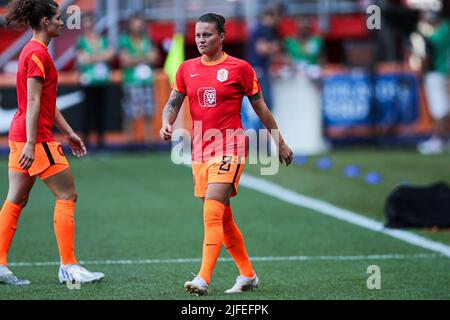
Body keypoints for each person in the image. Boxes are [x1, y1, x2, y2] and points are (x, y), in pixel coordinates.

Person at [160, 13, 293, 295]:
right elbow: (173, 102)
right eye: (197, 35)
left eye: (207, 35)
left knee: (211, 211)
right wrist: (167, 122)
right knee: (224, 218)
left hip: (230, 148)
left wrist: (279, 142)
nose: (201, 40)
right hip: (200, 151)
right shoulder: (186, 69)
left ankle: (202, 279)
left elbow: (261, 108)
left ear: (222, 36)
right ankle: (248, 275)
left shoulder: (240, 68)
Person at [0, 0, 104, 285]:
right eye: (58, 18)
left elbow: (45, 101)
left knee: (16, 199)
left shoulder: (36, 52)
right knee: (67, 195)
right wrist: (34, 143)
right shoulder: (36, 53)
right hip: (35, 138)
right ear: (45, 22)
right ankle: (69, 266)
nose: (62, 22)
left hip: (23, 134)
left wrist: (68, 132)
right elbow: (34, 100)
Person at [119, 13, 160, 148]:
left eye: (140, 23)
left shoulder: (147, 39)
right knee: (130, 113)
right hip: (131, 81)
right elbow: (125, 61)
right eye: (135, 23)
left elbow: (156, 57)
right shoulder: (125, 40)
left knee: (148, 112)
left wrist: (135, 57)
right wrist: (144, 57)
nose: (138, 26)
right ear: (130, 25)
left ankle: (149, 141)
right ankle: (129, 141)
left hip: (147, 81)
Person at [76, 13, 114, 150]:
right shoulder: (81, 41)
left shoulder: (103, 40)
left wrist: (92, 56)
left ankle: (100, 140)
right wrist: (100, 56)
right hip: (88, 81)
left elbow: (110, 55)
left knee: (101, 111)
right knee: (87, 111)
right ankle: (85, 140)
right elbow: (82, 59)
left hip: (102, 81)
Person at [417, 11, 450, 155]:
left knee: (439, 108)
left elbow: (427, 57)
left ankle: (438, 139)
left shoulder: (437, 36)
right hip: (445, 72)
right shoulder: (446, 30)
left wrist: (422, 70)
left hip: (438, 73)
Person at [246, 5, 282, 112]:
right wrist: (274, 47)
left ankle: (264, 128)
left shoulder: (259, 28)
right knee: (266, 105)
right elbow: (261, 49)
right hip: (259, 71)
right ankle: (264, 128)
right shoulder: (261, 28)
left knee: (264, 105)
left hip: (259, 70)